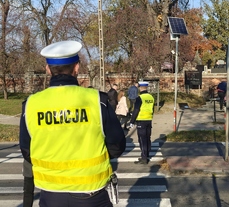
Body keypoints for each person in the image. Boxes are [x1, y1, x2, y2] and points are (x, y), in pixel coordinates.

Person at [19, 40, 126, 207]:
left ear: (48, 70)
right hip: (91, 193)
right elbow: (117, 145)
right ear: (77, 68)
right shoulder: (97, 100)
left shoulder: (31, 104)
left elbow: (27, 150)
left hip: (50, 194)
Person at [129, 81, 154, 164]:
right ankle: (146, 155)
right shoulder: (151, 97)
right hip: (149, 120)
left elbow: (136, 110)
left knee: (142, 139)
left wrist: (132, 121)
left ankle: (144, 158)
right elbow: (152, 109)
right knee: (147, 138)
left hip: (141, 121)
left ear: (140, 88)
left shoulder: (139, 98)